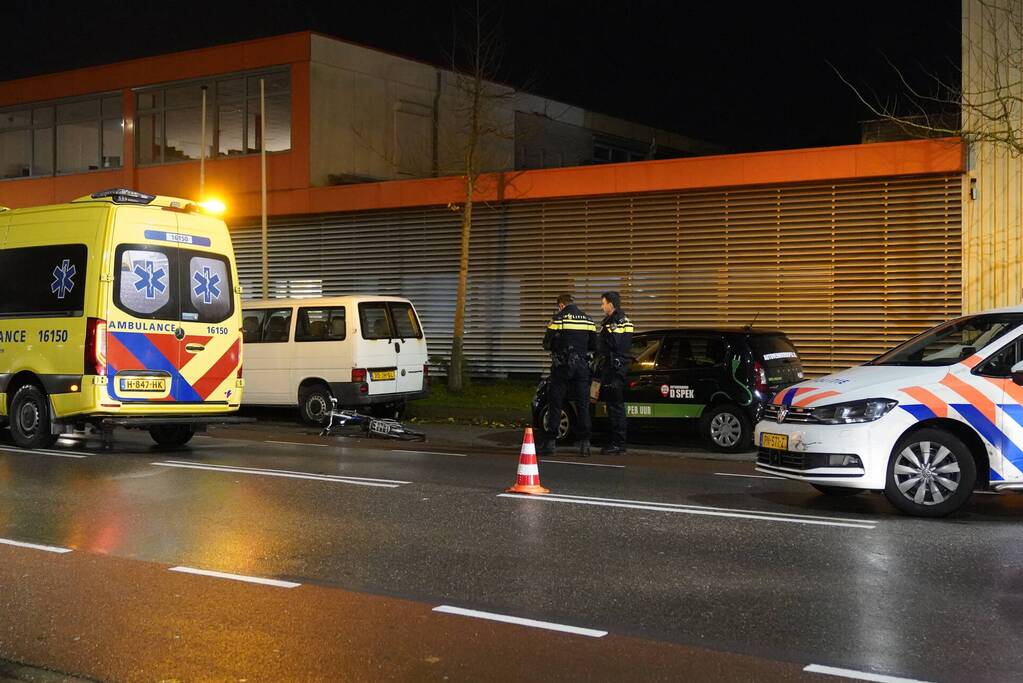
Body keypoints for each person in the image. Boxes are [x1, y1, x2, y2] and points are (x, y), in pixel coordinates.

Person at [542, 294, 597, 457]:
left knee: (556, 403)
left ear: (561, 305)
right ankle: (585, 444)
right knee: (582, 405)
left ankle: (551, 443)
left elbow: (546, 343)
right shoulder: (588, 320)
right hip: (581, 367)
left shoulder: (559, 318)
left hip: (562, 367)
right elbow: (594, 345)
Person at [597, 291, 633, 455]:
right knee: (615, 407)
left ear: (611, 304)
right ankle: (617, 442)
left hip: (614, 368)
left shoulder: (614, 321)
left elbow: (614, 343)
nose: (602, 306)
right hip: (617, 367)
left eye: (603, 303)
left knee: (615, 407)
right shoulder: (624, 319)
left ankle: (618, 443)